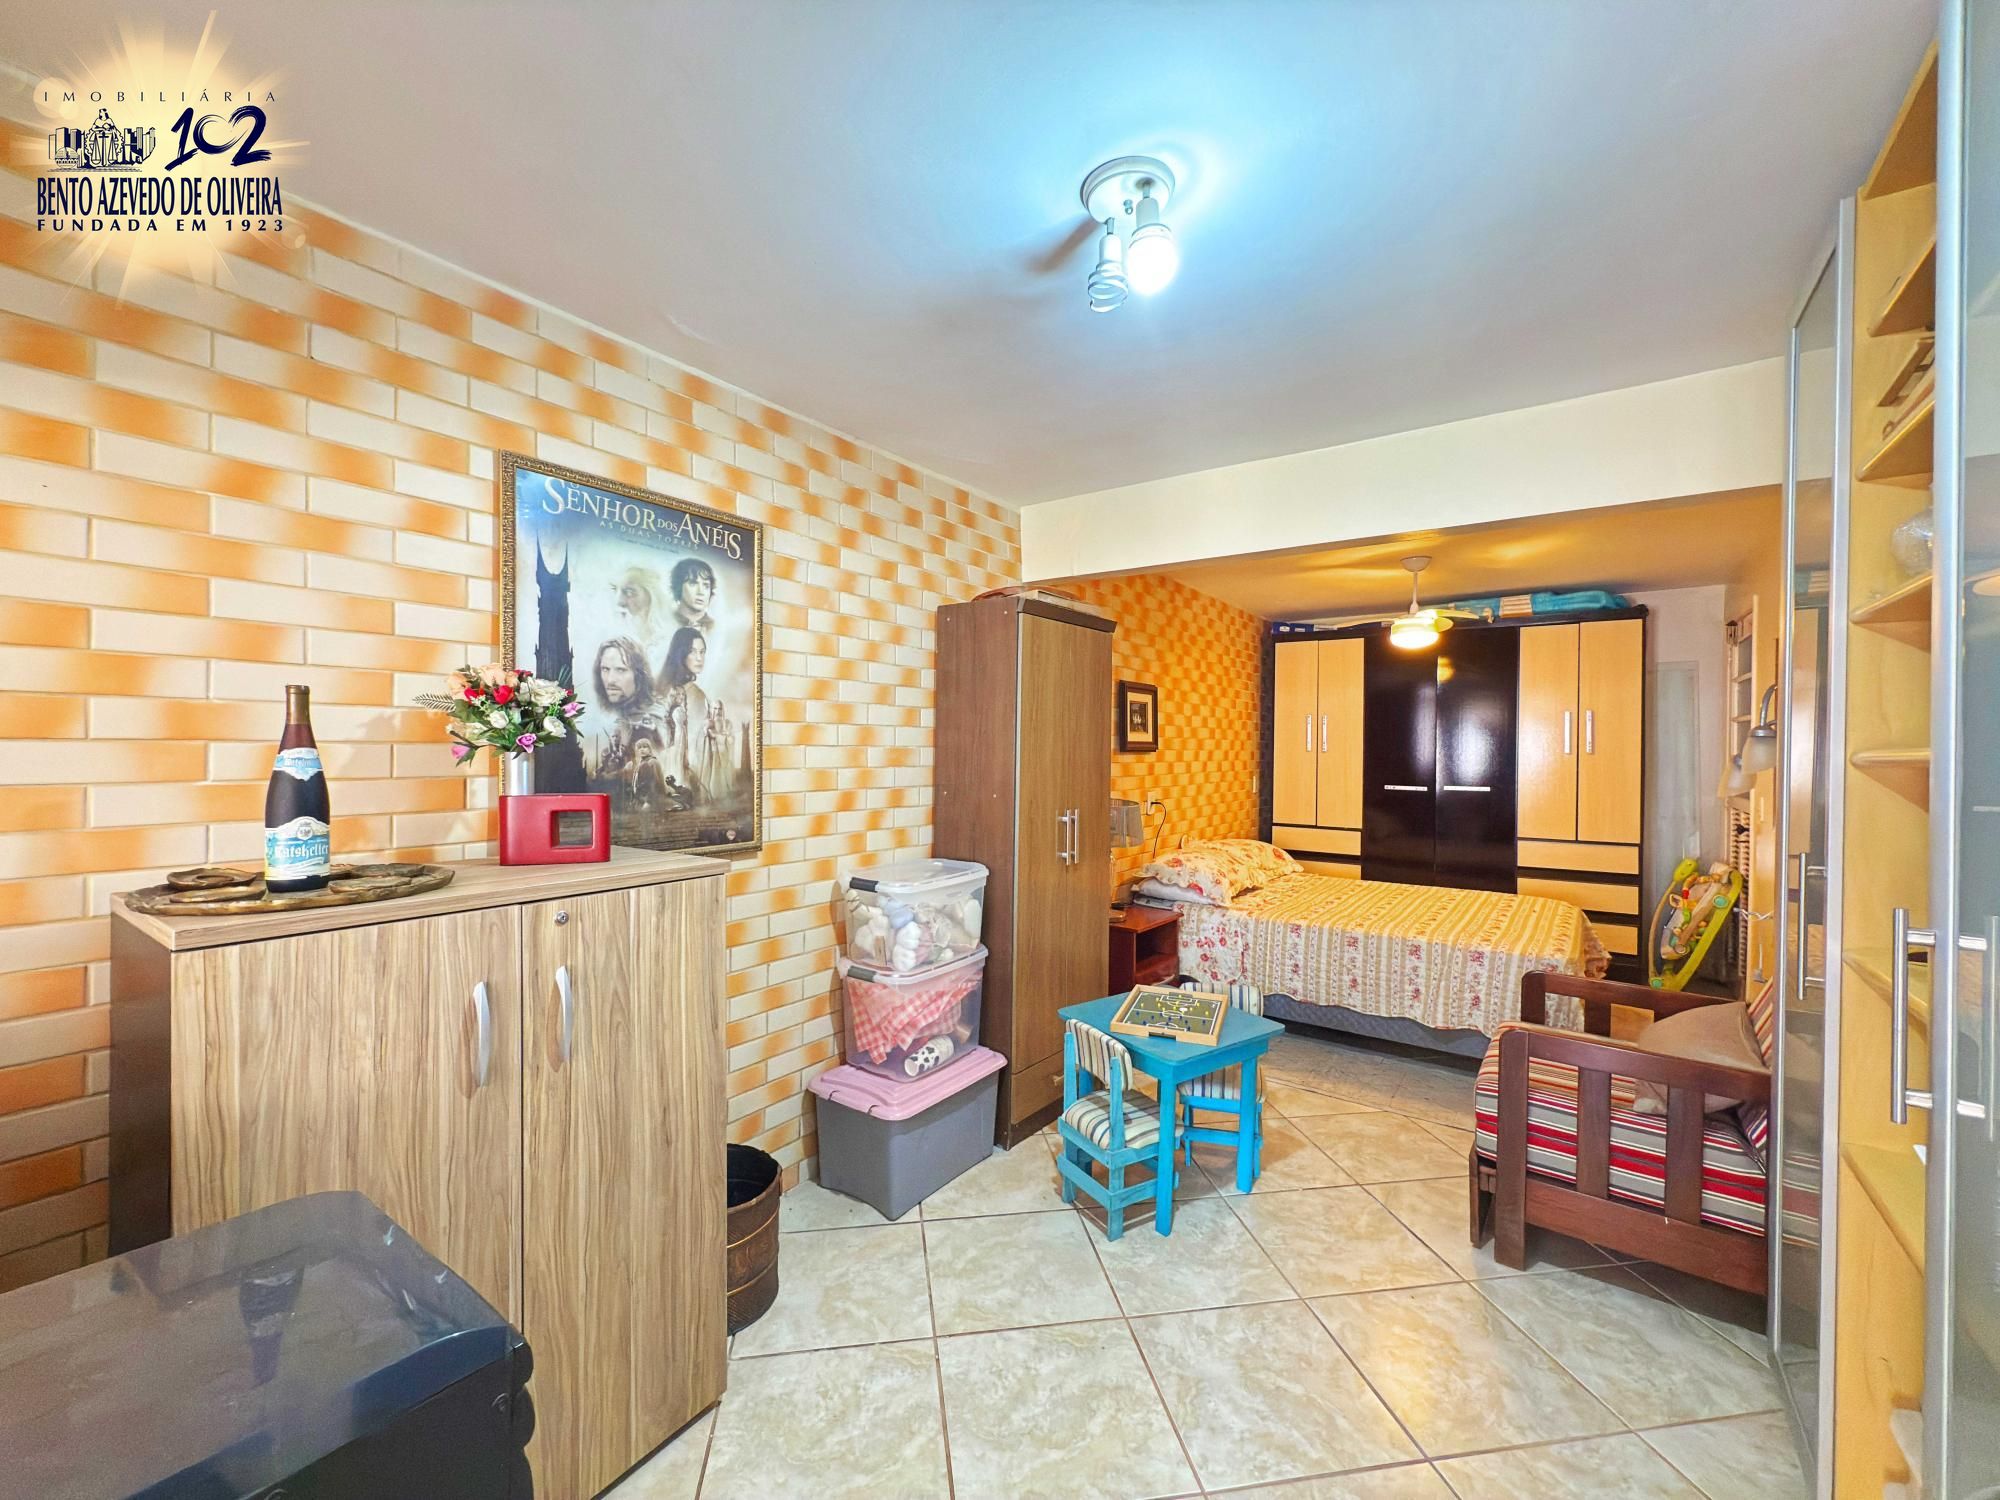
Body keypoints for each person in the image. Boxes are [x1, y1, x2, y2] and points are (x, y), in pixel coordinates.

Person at [659, 626, 745, 807]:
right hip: (676, 761)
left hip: (692, 767)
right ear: (680, 653)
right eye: (692, 651)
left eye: (702, 652)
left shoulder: (697, 695)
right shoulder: (673, 691)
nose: (699, 658)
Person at [582, 637, 662, 788]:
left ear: (638, 675)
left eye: (620, 670)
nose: (610, 680)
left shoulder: (650, 722)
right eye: (605, 669)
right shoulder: (617, 717)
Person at [670, 557, 717, 634]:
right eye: (693, 584)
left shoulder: (715, 628)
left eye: (706, 586)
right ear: (679, 586)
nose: (701, 592)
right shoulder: (665, 621)